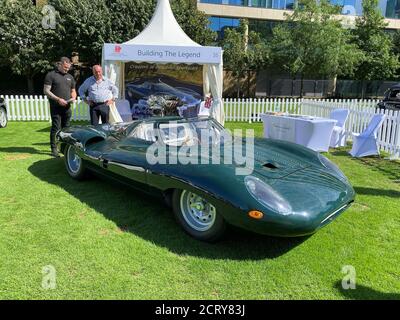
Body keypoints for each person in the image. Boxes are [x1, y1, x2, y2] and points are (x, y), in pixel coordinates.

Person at [44, 57, 77, 157]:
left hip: (67, 107)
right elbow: (46, 91)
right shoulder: (51, 75)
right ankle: (54, 149)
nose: (67, 69)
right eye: (65, 67)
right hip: (56, 107)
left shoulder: (70, 77)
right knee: (56, 127)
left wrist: (74, 97)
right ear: (60, 64)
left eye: (68, 68)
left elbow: (73, 90)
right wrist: (58, 99)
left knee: (66, 128)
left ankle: (64, 147)